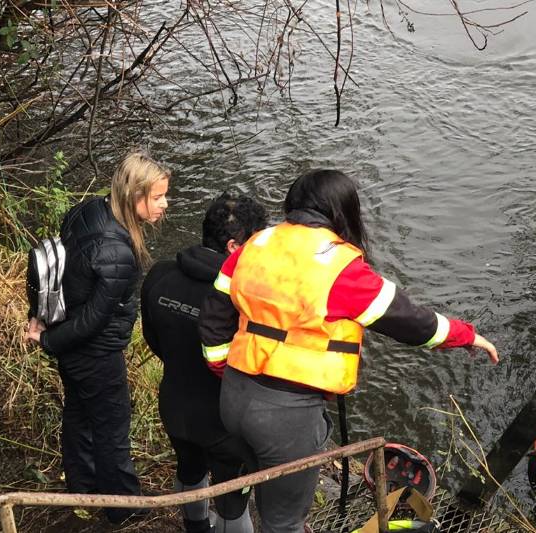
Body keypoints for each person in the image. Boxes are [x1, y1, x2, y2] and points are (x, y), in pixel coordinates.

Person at [198, 169, 500, 533]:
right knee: (284, 522)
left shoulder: (256, 243)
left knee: (265, 488)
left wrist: (223, 370)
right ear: (343, 211)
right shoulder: (340, 269)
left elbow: (214, 316)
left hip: (233, 398)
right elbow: (411, 321)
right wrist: (466, 335)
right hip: (286, 419)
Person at [24, 151, 170, 524]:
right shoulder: (118, 251)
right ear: (134, 195)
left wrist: (47, 330)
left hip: (69, 342)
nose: (164, 205)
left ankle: (81, 487)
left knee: (79, 414)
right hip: (94, 353)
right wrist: (47, 343)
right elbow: (92, 321)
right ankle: (124, 510)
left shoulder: (89, 209)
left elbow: (65, 273)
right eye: (157, 197)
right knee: (112, 429)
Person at [141, 193, 268, 533]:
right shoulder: (243, 299)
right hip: (224, 422)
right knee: (232, 504)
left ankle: (196, 528)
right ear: (233, 247)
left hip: (174, 406)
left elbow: (154, 340)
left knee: (190, 470)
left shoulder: (160, 275)